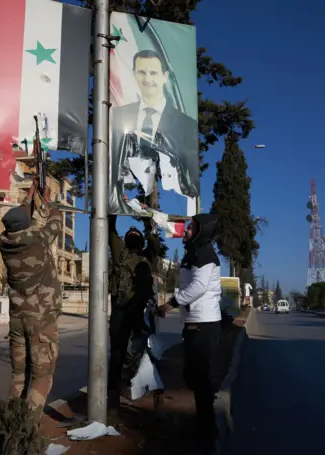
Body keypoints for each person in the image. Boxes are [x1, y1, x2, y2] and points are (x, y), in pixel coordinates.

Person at [0, 178, 62, 416]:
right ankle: (26, 432)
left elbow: (21, 217)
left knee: (18, 375)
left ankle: (9, 425)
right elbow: (56, 221)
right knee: (42, 376)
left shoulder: (4, 242)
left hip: (18, 318)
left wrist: (30, 195)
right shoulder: (37, 240)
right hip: (41, 319)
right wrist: (48, 202)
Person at [158, 213, 224, 449]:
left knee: (200, 378)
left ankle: (208, 432)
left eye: (190, 228)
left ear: (201, 231)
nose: (185, 231)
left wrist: (170, 304)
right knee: (193, 375)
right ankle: (205, 420)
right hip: (194, 323)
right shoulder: (194, 252)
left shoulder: (205, 253)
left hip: (204, 324)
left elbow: (198, 287)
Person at [109, 49, 200, 214]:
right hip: (126, 200)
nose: (147, 79)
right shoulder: (118, 116)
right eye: (142, 72)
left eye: (153, 72)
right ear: (134, 74)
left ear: (164, 76)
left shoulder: (187, 125)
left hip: (166, 205)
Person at [108, 214, 161, 416]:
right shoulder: (120, 252)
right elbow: (111, 231)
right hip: (121, 311)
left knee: (143, 352)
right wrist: (113, 208)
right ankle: (113, 397)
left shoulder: (147, 257)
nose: (131, 234)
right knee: (118, 353)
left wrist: (147, 222)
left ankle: (142, 388)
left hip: (140, 311)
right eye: (129, 233)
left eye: (135, 233)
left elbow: (155, 244)